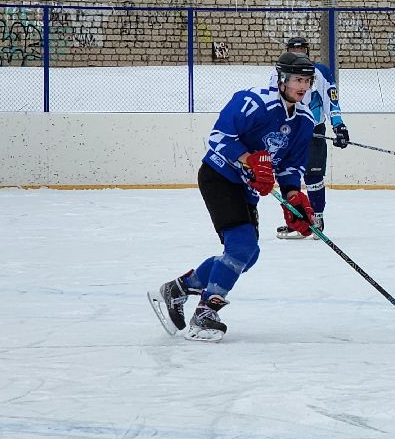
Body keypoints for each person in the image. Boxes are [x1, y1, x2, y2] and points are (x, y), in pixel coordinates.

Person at [147, 51, 318, 341]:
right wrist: (250, 160)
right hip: (220, 177)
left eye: (307, 81)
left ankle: (177, 289)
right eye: (297, 79)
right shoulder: (254, 101)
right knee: (241, 247)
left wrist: (293, 198)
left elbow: (289, 166)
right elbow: (219, 138)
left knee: (247, 255)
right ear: (282, 79)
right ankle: (205, 312)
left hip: (248, 189)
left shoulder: (304, 119)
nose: (302, 86)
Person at [274, 36, 349, 239]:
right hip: (288, 131)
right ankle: (296, 221)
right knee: (288, 176)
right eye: (293, 49)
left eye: (302, 49)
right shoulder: (278, 74)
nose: (298, 52)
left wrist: (339, 125)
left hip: (314, 129)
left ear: (307, 51)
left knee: (313, 176)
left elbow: (331, 101)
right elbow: (274, 103)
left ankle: (317, 217)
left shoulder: (320, 72)